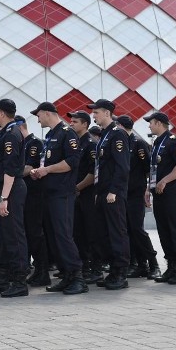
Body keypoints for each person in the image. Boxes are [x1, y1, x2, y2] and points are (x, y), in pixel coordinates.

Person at [30, 102, 87, 295]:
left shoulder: (66, 133)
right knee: (54, 236)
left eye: (39, 115)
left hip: (62, 193)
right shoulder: (50, 135)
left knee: (63, 235)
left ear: (47, 113)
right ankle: (66, 275)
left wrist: (47, 170)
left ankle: (77, 277)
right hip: (48, 192)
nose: (37, 119)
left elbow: (72, 162)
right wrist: (40, 171)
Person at [0, 98, 29, 298]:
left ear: (2, 113)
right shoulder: (6, 133)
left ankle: (19, 281)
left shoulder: (11, 135)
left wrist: (4, 197)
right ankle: (3, 279)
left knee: (14, 236)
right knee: (2, 236)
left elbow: (10, 169)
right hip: (5, 188)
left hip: (12, 189)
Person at [144, 111, 176, 285]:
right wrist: (148, 189)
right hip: (159, 194)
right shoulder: (157, 143)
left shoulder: (174, 142)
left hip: (172, 193)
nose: (149, 126)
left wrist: (165, 180)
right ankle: (172, 267)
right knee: (164, 231)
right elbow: (154, 170)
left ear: (158, 123)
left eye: (150, 123)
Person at [88, 98, 131, 290]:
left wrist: (114, 190)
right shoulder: (105, 135)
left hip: (113, 192)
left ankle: (121, 273)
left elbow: (122, 166)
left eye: (96, 112)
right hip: (103, 191)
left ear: (107, 113)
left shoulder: (117, 134)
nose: (93, 115)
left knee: (117, 232)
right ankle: (113, 271)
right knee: (104, 233)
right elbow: (101, 167)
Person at [116, 114, 161, 280]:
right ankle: (140, 265)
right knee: (127, 230)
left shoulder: (138, 143)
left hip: (135, 193)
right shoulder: (120, 142)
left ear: (121, 126)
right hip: (122, 194)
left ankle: (154, 264)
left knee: (137, 229)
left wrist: (147, 190)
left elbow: (148, 169)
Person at [68, 110, 103, 284]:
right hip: (76, 195)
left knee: (92, 233)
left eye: (75, 121)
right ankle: (83, 266)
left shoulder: (90, 144)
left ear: (84, 124)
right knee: (78, 232)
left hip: (88, 194)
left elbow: (92, 172)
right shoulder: (75, 143)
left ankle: (96, 268)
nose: (71, 124)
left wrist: (77, 187)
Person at [19, 117, 47, 287]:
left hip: (35, 194)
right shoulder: (21, 144)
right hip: (24, 194)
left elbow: (29, 168)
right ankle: (37, 269)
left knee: (35, 233)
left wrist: (9, 174)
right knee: (28, 233)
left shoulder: (34, 143)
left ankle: (42, 270)